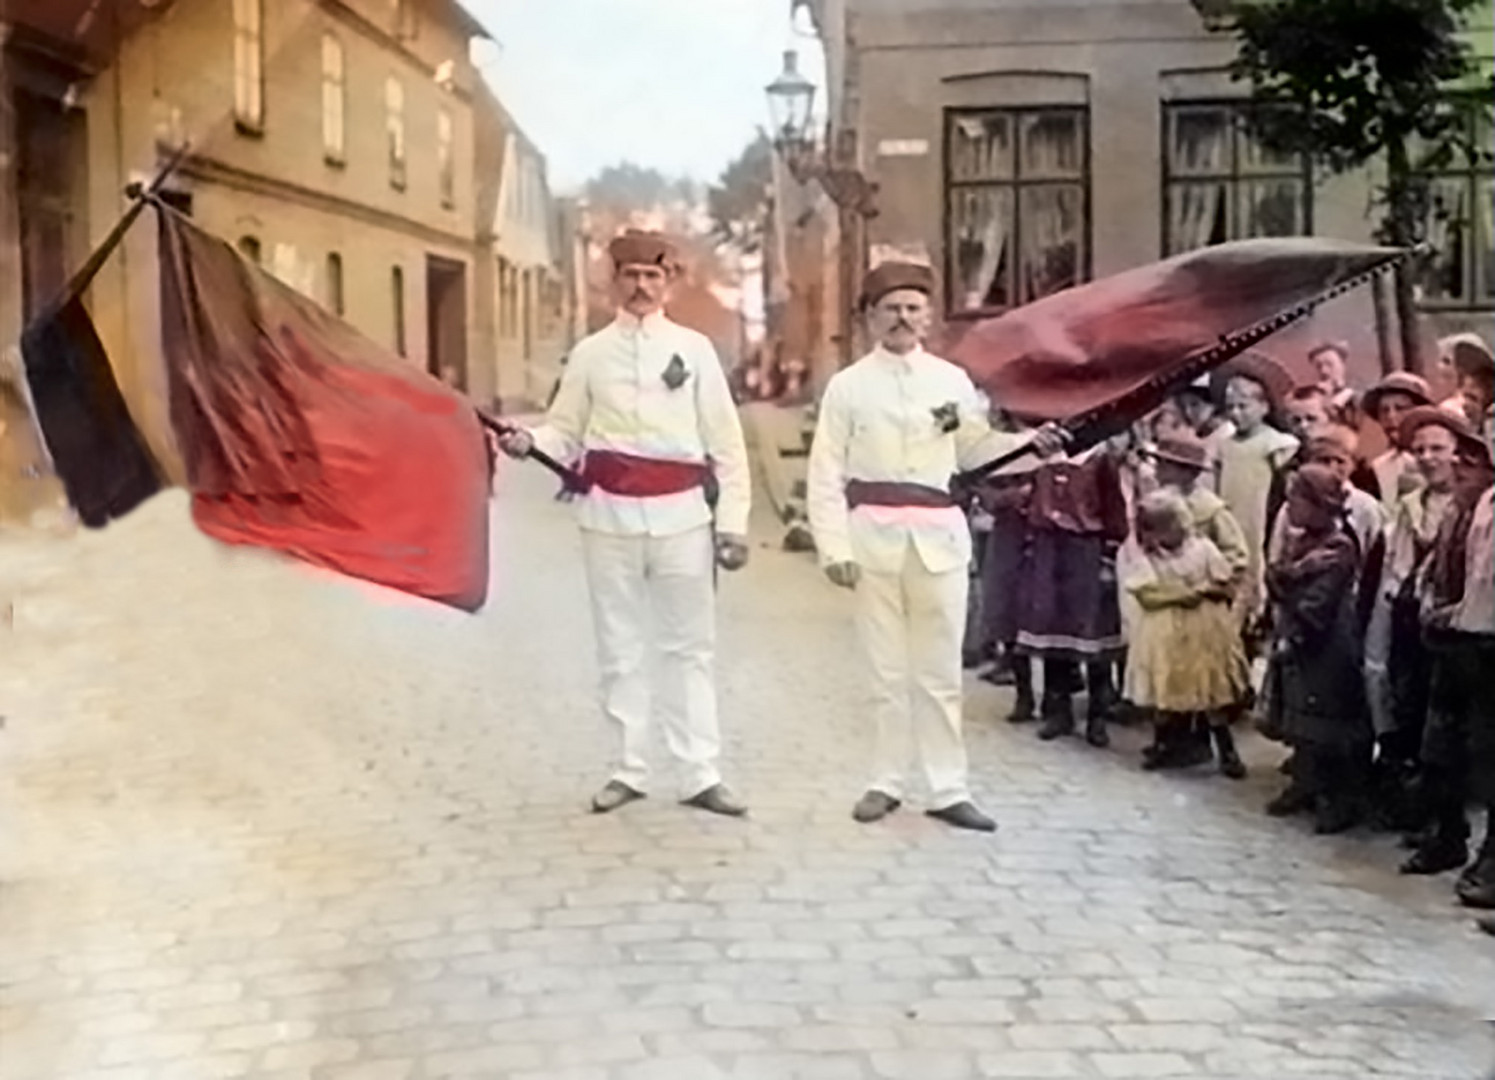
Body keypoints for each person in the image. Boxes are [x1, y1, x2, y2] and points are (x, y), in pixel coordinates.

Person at [494, 230, 752, 817]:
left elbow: (727, 445)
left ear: (669, 283)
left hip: (683, 517)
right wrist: (529, 440)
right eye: (630, 275)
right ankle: (630, 768)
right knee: (620, 646)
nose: (641, 286)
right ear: (613, 281)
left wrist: (732, 523)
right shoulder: (589, 355)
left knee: (690, 648)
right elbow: (566, 430)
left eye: (652, 276)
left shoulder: (696, 350)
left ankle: (699, 773)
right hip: (607, 517)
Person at [806, 260, 1065, 832]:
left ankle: (948, 787)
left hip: (938, 538)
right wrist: (834, 548)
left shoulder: (950, 383)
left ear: (929, 319)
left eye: (913, 308)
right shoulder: (848, 387)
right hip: (871, 538)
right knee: (885, 671)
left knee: (940, 672)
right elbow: (825, 471)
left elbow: (975, 450)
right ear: (871, 318)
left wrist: (1032, 445)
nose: (902, 318)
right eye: (890, 308)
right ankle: (885, 781)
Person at [1367, 407, 1468, 851]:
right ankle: (1424, 810)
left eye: (1437, 449)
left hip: (1458, 621)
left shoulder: (1471, 503)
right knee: (1416, 711)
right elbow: (1400, 567)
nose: (1428, 457)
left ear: (1456, 453)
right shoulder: (1412, 506)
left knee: (1452, 722)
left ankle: (1450, 821)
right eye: (1421, 449)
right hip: (1413, 619)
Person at [1400, 416, 1495, 885]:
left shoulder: (1486, 510)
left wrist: (1454, 611)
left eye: (1471, 462)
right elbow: (1437, 566)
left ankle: (1487, 857)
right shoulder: (1459, 511)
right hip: (1450, 644)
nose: (1460, 468)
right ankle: (1447, 835)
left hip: (1481, 643)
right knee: (1440, 745)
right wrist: (1430, 599)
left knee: (1485, 751)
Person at [1262, 464, 1372, 834]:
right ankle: (1306, 783)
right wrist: (1292, 574)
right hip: (1302, 637)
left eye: (1296, 498)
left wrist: (1292, 633)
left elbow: (1317, 605)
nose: (1289, 506)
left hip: (1325, 644)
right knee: (1301, 718)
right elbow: (1275, 577)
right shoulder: (1302, 542)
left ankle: (1337, 797)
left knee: (1326, 722)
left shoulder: (1338, 547)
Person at [1011, 438, 1130, 748]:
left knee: (1092, 634)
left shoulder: (1100, 458)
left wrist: (1108, 555)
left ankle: (1097, 717)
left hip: (1085, 550)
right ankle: (1059, 712)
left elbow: (1114, 507)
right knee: (1053, 630)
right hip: (1049, 548)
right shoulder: (1042, 456)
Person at [1124, 491, 1250, 778]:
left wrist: (1208, 591)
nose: (1178, 533)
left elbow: (1226, 584)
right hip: (1165, 632)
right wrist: (1182, 595)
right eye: (1167, 530)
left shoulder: (1203, 549)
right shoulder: (1148, 559)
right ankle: (1164, 744)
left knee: (1210, 690)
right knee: (1166, 687)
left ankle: (1227, 750)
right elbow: (1147, 596)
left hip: (1204, 631)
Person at [1215, 352, 1300, 643]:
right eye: (1231, 407)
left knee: (1257, 566)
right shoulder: (1224, 446)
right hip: (1231, 516)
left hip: (1261, 517)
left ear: (1264, 406)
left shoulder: (1276, 444)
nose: (1236, 413)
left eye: (1244, 406)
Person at [1361, 371, 1434, 511]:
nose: (1391, 416)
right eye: (1384, 410)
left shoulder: (1446, 458)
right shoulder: (1378, 469)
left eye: (1400, 408)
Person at [1308, 340, 1358, 425]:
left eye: (1329, 364)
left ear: (1343, 364)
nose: (1324, 371)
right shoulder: (1309, 398)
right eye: (1318, 366)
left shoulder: (1358, 396)